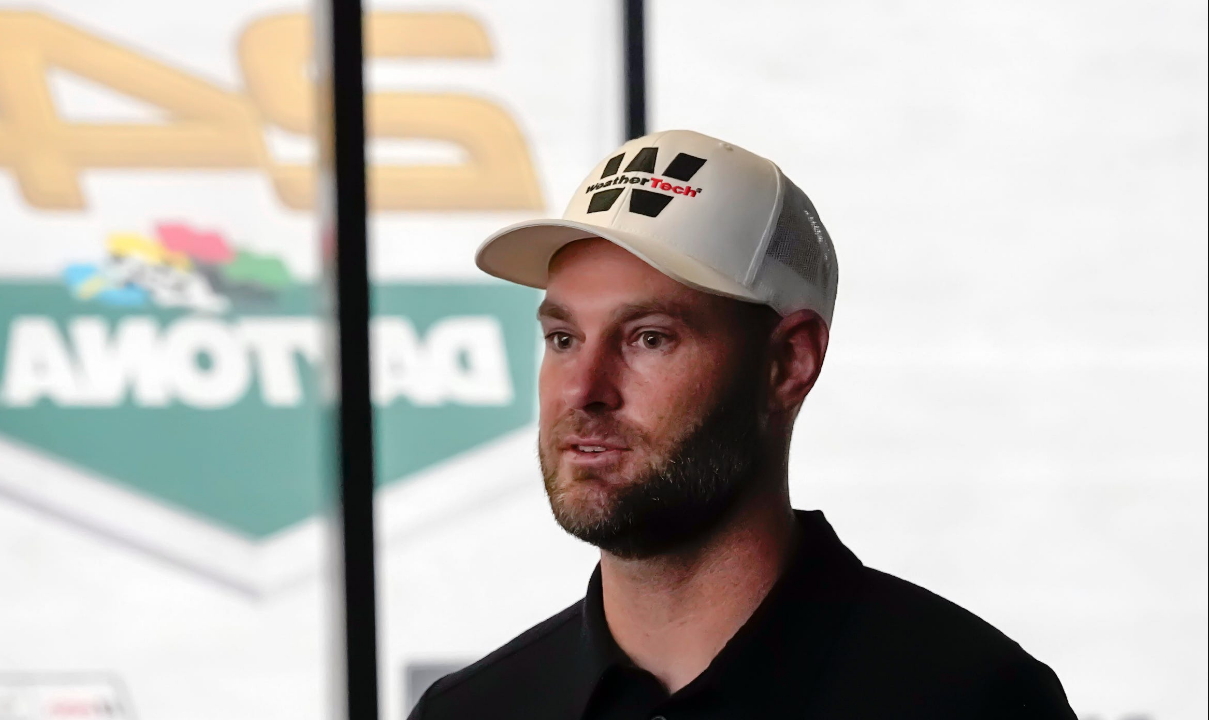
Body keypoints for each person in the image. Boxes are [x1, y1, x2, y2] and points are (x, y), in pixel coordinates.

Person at [408, 130, 1077, 719]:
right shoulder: (472, 709)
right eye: (563, 339)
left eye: (648, 338)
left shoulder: (970, 700)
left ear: (788, 361)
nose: (584, 390)